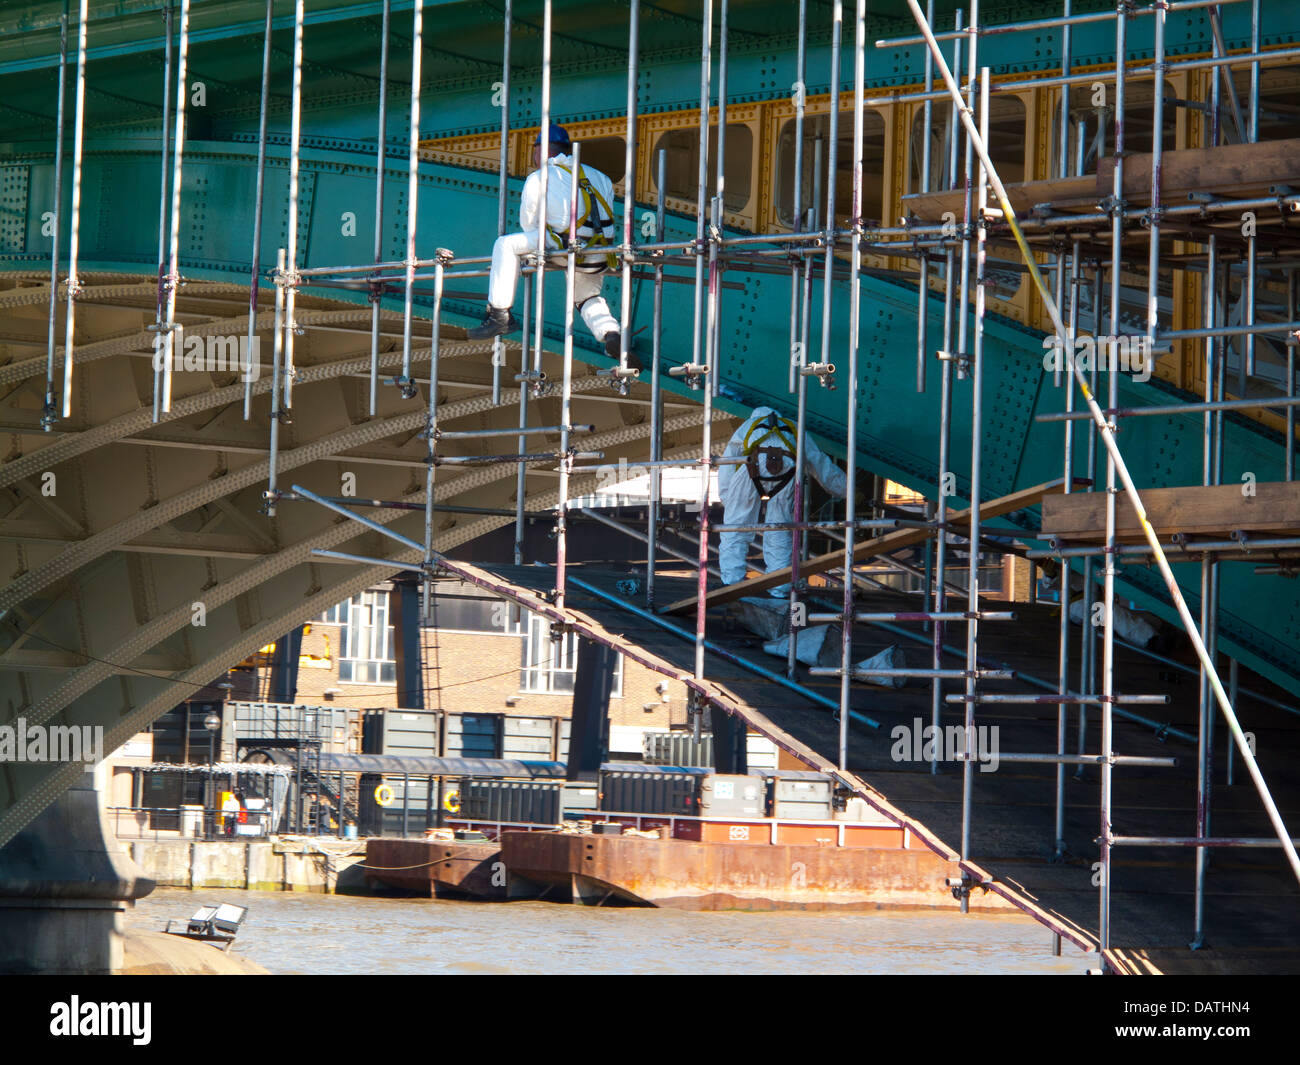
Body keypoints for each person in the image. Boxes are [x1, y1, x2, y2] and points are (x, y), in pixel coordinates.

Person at [466, 124, 639, 369]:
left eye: (535, 151)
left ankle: (499, 314)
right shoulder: (600, 177)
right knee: (587, 297)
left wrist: (531, 255)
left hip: (563, 246)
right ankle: (610, 334)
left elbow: (528, 222)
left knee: (505, 245)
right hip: (599, 252)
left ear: (542, 150)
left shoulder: (540, 177)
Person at [717, 407, 848, 594]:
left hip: (751, 469)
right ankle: (779, 588)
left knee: (736, 527)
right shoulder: (794, 427)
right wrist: (846, 490)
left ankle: (731, 583)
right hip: (786, 472)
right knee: (779, 531)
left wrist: (728, 498)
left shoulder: (748, 426)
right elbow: (818, 462)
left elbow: (728, 462)